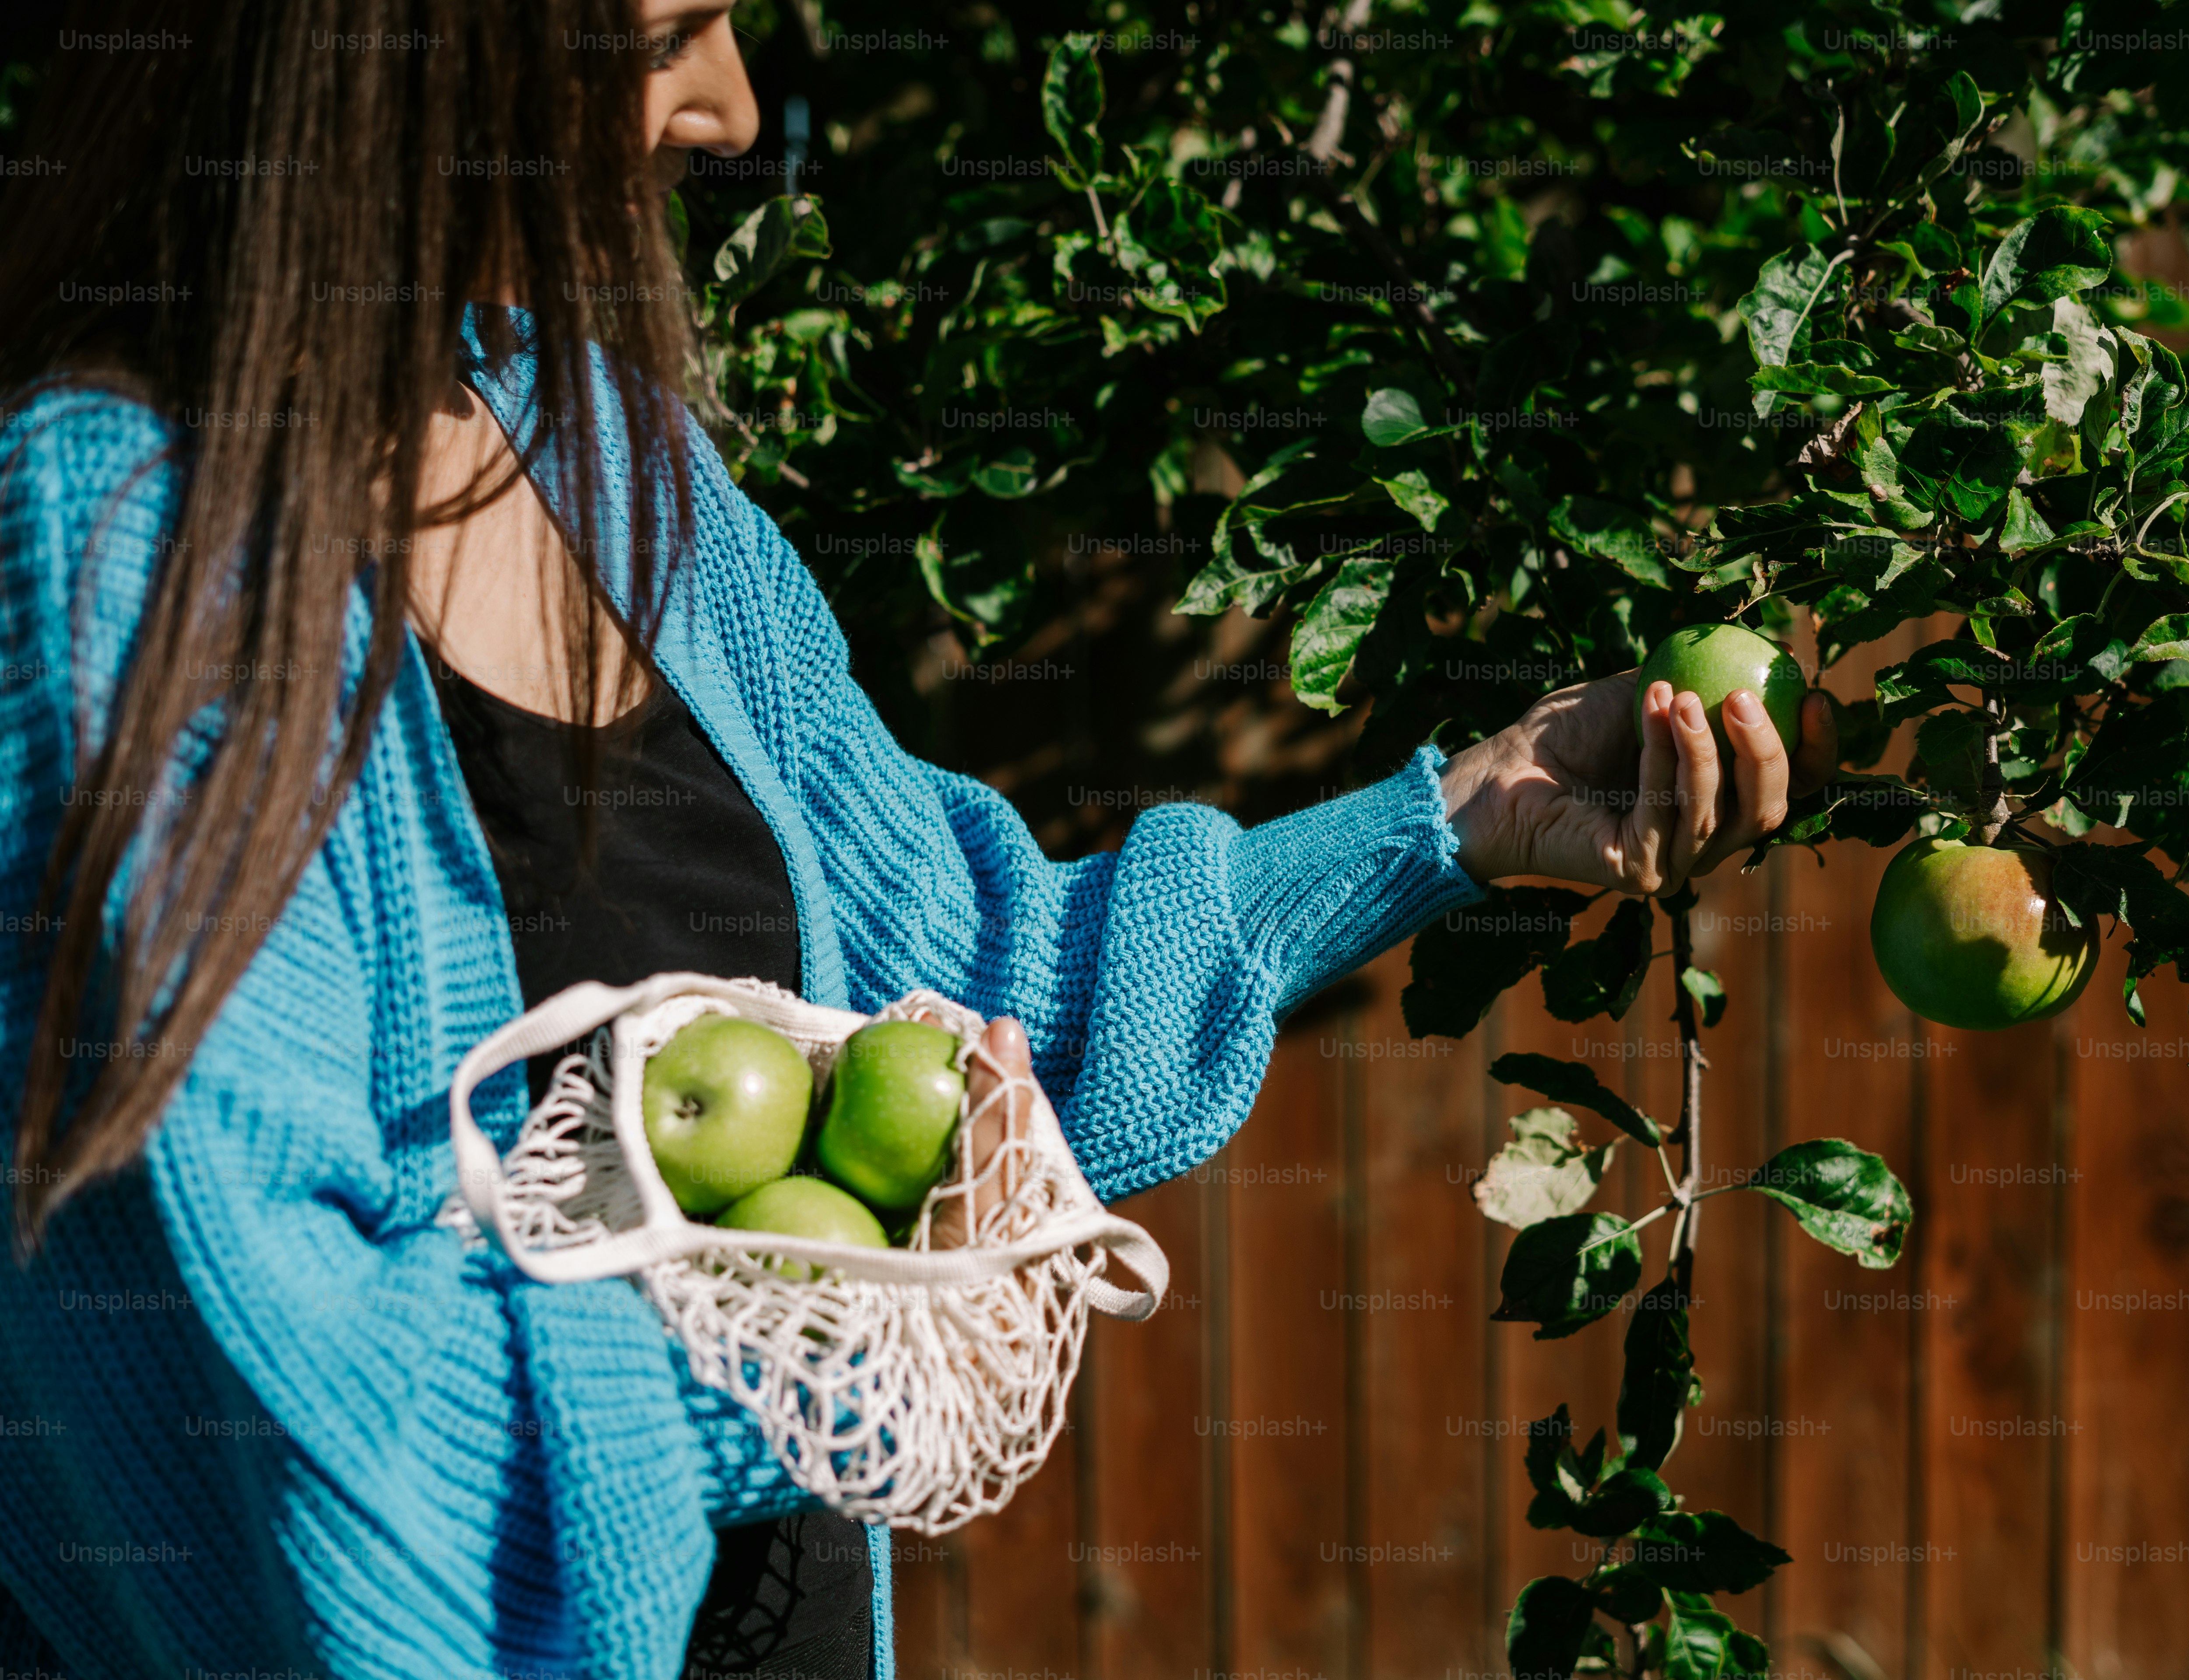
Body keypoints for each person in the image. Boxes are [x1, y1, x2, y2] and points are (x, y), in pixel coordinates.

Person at [0, 4, 1834, 1678]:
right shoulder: (109, 563)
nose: (724, 116)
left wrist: (1461, 814)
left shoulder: (597, 450)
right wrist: (811, 1337)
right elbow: (295, 1429)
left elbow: (970, 981)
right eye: (662, 41)